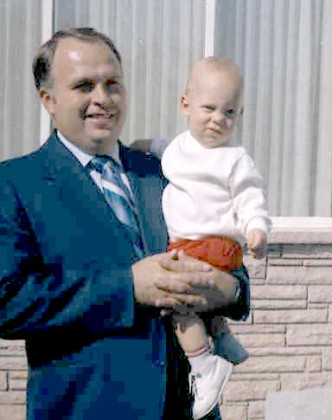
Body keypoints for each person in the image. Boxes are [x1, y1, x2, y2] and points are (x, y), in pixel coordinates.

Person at [0, 28, 250, 420]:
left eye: (112, 84)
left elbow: (230, 262)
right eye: (84, 86)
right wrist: (127, 288)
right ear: (47, 99)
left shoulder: (168, 172)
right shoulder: (16, 184)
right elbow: (8, 301)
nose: (102, 99)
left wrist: (230, 289)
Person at [149, 57, 271, 419]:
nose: (219, 119)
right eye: (210, 108)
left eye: (229, 112)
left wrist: (257, 228)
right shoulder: (178, 149)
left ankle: (204, 366)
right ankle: (222, 335)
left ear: (240, 114)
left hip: (207, 245)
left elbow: (251, 196)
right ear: (186, 105)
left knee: (177, 305)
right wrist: (141, 144)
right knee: (204, 303)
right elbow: (160, 146)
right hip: (206, 250)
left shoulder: (235, 158)